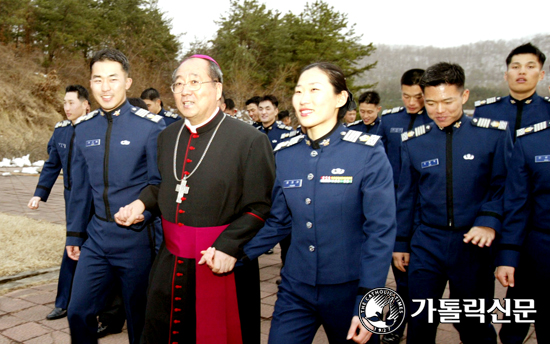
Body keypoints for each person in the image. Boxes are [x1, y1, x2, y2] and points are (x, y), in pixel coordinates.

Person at [113, 54, 276, 344]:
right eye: (178, 84)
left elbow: (259, 206)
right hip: (170, 260)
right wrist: (140, 204)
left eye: (194, 81)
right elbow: (159, 186)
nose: (185, 90)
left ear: (218, 88)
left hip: (220, 261)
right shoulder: (166, 136)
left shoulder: (249, 140)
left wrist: (229, 246)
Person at [242, 62, 396, 344]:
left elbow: (380, 232)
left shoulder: (367, 153)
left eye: (314, 89)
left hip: (350, 290)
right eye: (299, 91)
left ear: (340, 98)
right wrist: (237, 253)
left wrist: (368, 301)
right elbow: (279, 221)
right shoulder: (286, 154)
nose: (303, 98)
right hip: (296, 286)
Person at [393, 62, 512, 344]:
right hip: (427, 243)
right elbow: (407, 196)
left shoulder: (492, 135)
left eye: (448, 101)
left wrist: (488, 221)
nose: (439, 110)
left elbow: (505, 185)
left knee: (472, 323)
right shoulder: (413, 142)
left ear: (464, 95)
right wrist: (400, 242)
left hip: (471, 246)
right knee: (421, 321)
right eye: (431, 102)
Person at [65, 48, 165, 344]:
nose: (105, 88)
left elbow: (160, 184)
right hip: (97, 237)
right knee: (77, 311)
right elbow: (80, 188)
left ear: (128, 82)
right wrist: (74, 234)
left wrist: (142, 209)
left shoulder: (150, 126)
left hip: (136, 239)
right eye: (98, 80)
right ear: (91, 83)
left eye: (113, 79)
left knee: (140, 318)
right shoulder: (82, 129)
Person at [375, 68, 430, 344]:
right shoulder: (390, 121)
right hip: (389, 206)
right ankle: (394, 322)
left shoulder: (434, 120)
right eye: (406, 96)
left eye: (418, 97)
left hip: (421, 209)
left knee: (413, 277)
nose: (412, 102)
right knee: (389, 273)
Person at [28, 84, 90, 321]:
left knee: (94, 250)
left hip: (95, 202)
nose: (67, 107)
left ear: (85, 104)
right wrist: (39, 193)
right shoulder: (61, 131)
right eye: (65, 102)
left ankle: (96, 304)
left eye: (72, 102)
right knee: (72, 246)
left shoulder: (98, 129)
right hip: (72, 200)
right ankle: (63, 302)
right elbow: (52, 164)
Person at [496, 119, 550, 343]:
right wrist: (508, 256)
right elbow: (517, 204)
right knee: (514, 327)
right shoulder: (531, 142)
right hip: (537, 248)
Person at [473, 43, 550, 143]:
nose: (522, 72)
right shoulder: (485, 111)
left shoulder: (547, 109)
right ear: (506, 75)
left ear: (541, 75)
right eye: (515, 67)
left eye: (530, 67)